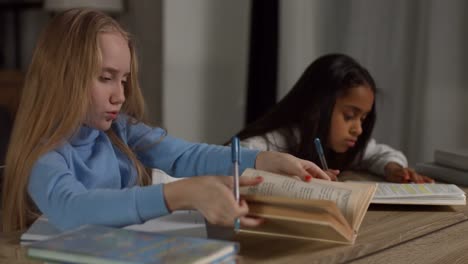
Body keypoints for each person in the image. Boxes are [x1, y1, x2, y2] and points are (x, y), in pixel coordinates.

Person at [1, 9, 330, 232]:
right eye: (106, 78)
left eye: (125, 80)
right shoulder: (45, 156)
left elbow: (187, 156)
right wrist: (180, 194)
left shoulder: (120, 130)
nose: (120, 95)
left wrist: (264, 159)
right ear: (63, 77)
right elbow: (73, 209)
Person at [236, 53, 434, 183]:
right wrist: (294, 177)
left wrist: (393, 168)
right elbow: (232, 159)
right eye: (349, 116)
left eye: (363, 119)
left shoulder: (342, 146)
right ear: (317, 108)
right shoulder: (279, 140)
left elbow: (378, 153)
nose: (358, 129)